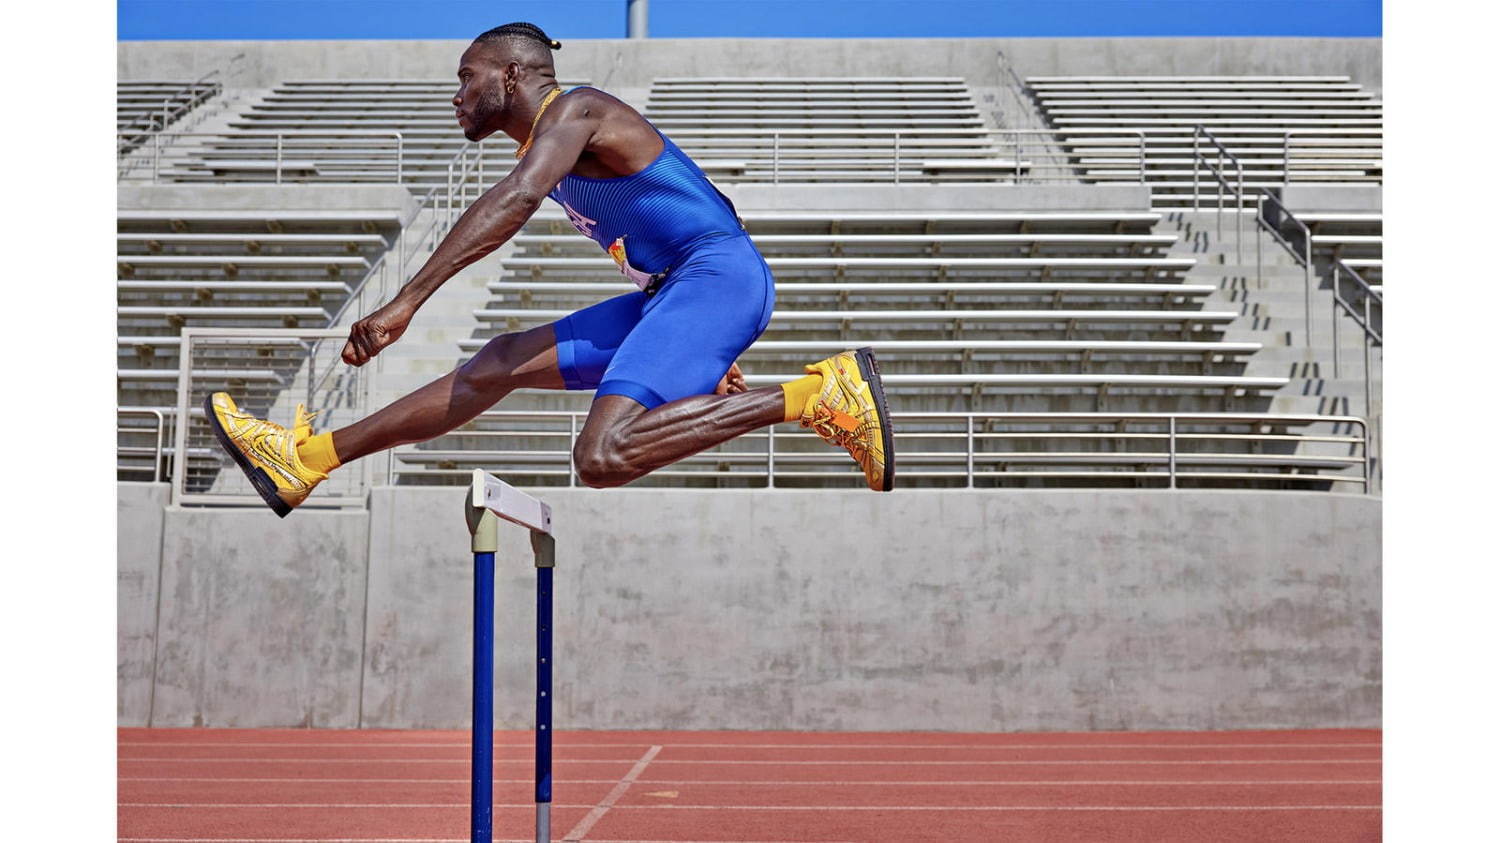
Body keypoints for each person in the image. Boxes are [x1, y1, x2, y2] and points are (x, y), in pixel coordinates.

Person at [206, 21, 893, 517]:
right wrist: (692, 343)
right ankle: (307, 460)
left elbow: (518, 198)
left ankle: (815, 396)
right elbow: (707, 206)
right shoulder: (555, 147)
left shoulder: (578, 111)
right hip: (681, 292)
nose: (457, 95)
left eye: (466, 78)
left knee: (602, 455)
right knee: (498, 360)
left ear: (511, 73)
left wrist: (405, 301)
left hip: (712, 279)